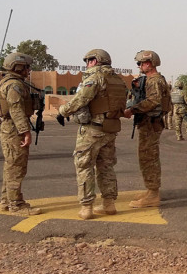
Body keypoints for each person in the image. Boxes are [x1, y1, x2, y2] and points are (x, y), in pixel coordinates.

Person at [57, 49, 127, 220]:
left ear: (95, 61)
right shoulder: (118, 80)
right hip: (110, 129)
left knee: (84, 166)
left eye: (88, 60)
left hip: (92, 130)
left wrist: (62, 111)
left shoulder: (94, 78)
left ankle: (87, 207)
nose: (87, 64)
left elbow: (81, 99)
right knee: (106, 166)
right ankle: (109, 204)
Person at [0, 52, 42, 216]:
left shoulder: (5, 82)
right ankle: (16, 205)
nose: (29, 70)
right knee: (16, 167)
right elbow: (16, 110)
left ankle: (6, 201)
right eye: (27, 67)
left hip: (8, 127)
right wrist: (25, 132)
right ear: (18, 66)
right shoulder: (14, 85)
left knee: (10, 166)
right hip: (14, 129)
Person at [123, 50, 171, 208]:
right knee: (147, 156)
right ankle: (151, 190)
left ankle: (153, 194)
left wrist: (132, 109)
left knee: (148, 158)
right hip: (150, 122)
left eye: (141, 63)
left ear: (149, 63)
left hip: (150, 123)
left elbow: (153, 101)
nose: (139, 66)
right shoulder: (154, 79)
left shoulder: (154, 80)